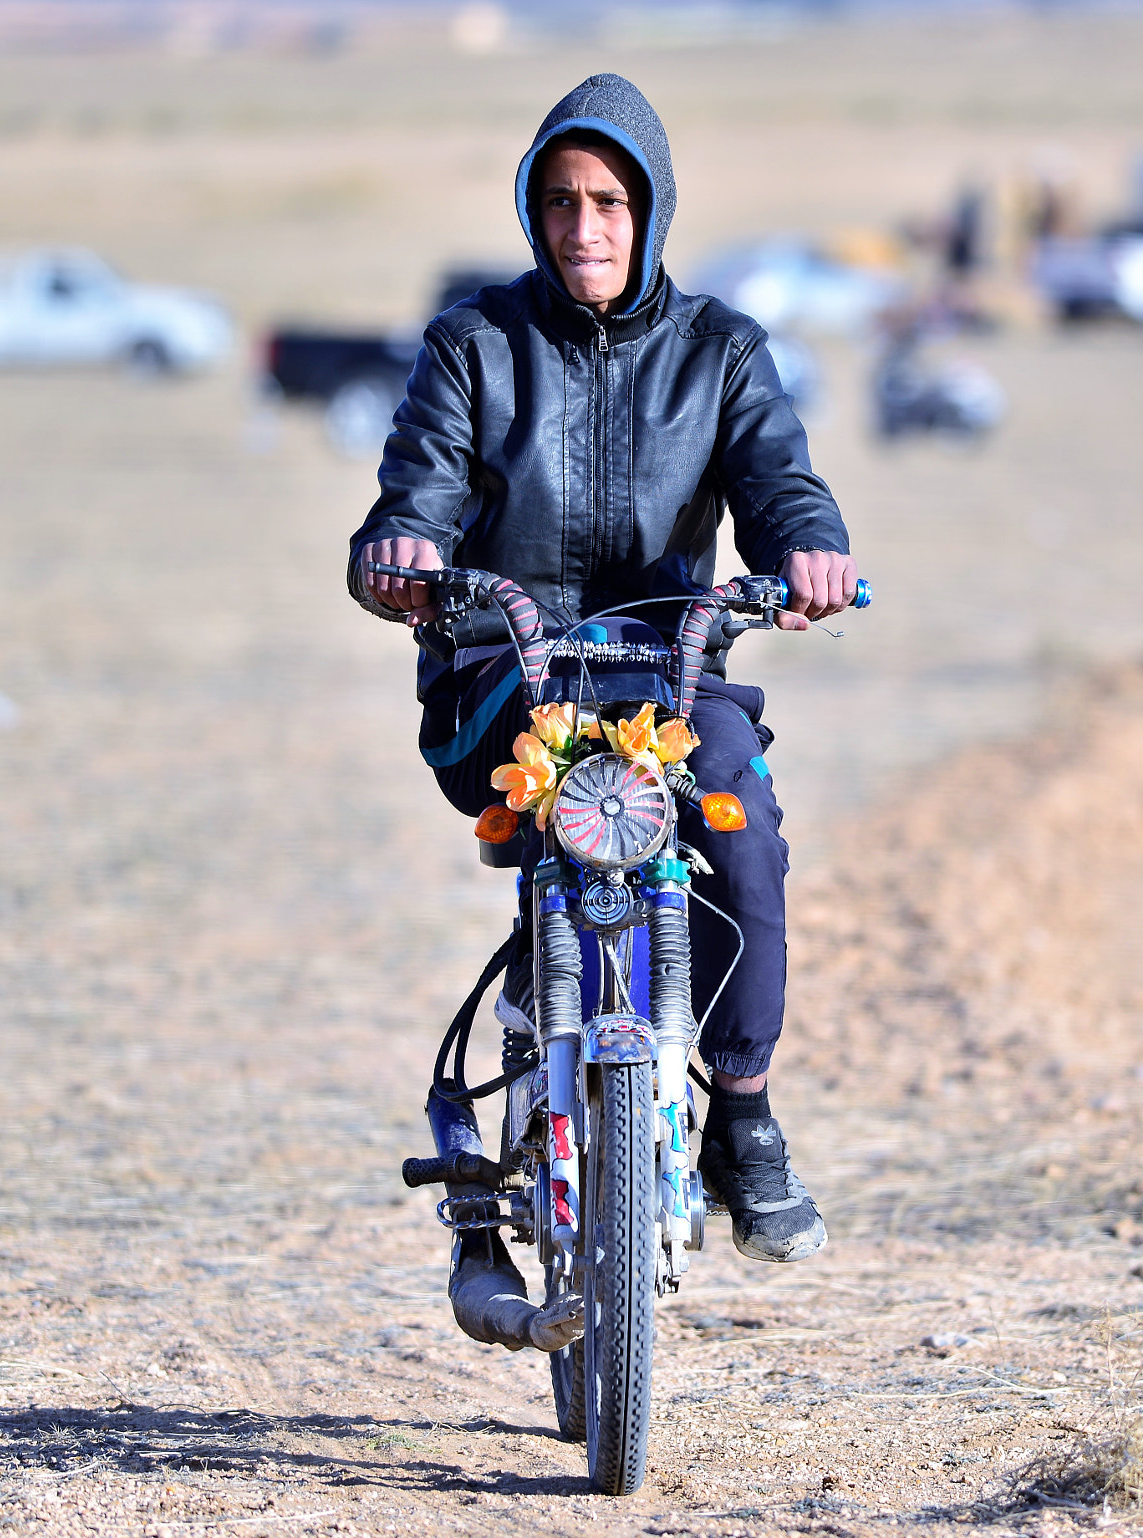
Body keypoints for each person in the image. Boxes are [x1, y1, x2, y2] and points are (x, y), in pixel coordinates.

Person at [346, 76, 858, 1301]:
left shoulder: (721, 352)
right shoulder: (474, 346)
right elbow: (414, 491)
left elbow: (780, 483)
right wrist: (402, 558)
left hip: (665, 667)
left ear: (651, 212)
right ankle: (548, 1011)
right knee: (546, 817)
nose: (586, 226)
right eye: (564, 200)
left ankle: (741, 1110)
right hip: (502, 667)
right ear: (534, 207)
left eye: (611, 202)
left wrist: (807, 551)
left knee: (743, 834)